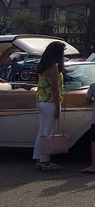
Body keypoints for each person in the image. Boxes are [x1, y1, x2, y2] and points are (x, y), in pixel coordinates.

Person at [33, 40, 66, 171]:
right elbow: (55, 88)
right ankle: (45, 161)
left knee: (42, 131)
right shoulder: (53, 67)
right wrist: (58, 106)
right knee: (48, 132)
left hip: (41, 100)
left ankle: (39, 159)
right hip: (50, 102)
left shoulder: (44, 65)